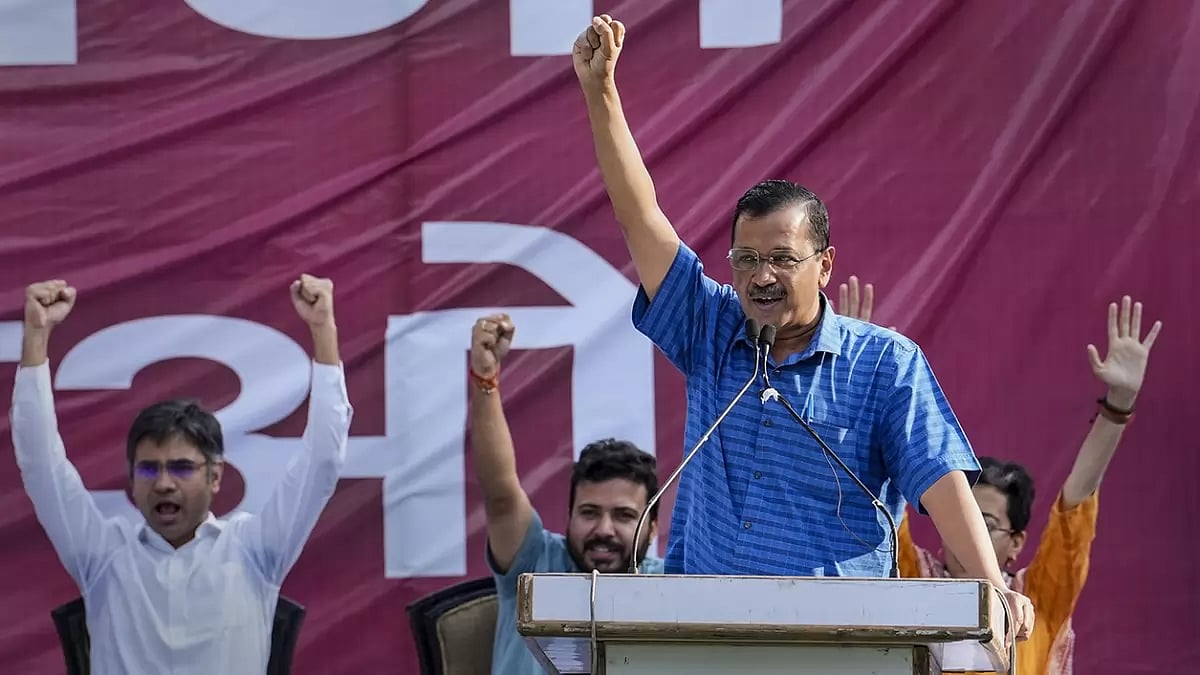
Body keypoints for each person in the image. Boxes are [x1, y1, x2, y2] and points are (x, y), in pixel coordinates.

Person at [572, 14, 1035, 639]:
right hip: (703, 636)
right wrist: (601, 93)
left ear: (826, 265)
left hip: (839, 641)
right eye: (746, 259)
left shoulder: (885, 364)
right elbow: (640, 216)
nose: (761, 277)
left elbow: (940, 481)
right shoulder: (710, 328)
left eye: (782, 260)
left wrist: (992, 587)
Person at [12, 276, 352, 675]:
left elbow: (323, 461)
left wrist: (323, 331)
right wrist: (36, 337)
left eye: (181, 467)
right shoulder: (104, 556)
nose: (163, 484)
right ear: (132, 480)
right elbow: (40, 464)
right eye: (148, 468)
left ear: (215, 476)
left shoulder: (253, 550)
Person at [835, 280, 1160, 675]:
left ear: (1016, 542)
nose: (967, 530)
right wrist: (853, 381)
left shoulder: (1034, 600)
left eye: (986, 523)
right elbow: (875, 491)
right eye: (961, 515)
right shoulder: (914, 579)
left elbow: (1076, 506)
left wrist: (1118, 406)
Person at [469, 313, 663, 675]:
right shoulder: (535, 563)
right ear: (569, 516)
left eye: (624, 516)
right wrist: (485, 378)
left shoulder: (676, 590)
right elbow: (500, 493)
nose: (604, 530)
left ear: (653, 527)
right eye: (589, 512)